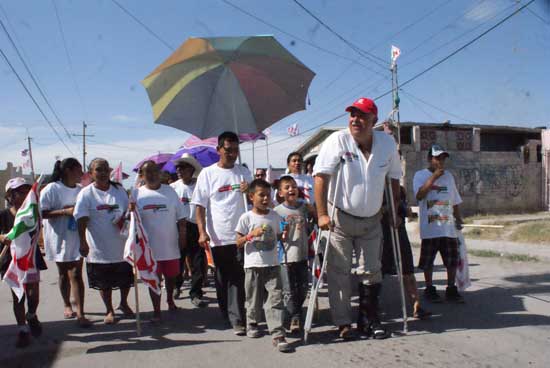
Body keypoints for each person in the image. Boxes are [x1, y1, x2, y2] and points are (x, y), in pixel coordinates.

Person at [313, 97, 402, 340]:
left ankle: (369, 320)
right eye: (352, 114)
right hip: (338, 218)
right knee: (339, 272)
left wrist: (393, 209)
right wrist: (321, 214)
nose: (355, 119)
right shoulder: (337, 141)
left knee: (372, 271)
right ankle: (343, 323)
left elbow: (394, 178)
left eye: (362, 115)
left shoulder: (386, 143)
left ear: (374, 120)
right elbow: (320, 177)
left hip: (372, 219)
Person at [192, 131, 252, 335]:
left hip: (241, 235)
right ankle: (226, 311)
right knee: (222, 278)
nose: (233, 154)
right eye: (228, 150)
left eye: (236, 150)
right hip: (217, 235)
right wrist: (201, 232)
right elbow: (199, 206)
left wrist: (249, 191)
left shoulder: (243, 172)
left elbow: (257, 199)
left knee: (237, 276)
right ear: (218, 150)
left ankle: (238, 318)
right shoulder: (207, 174)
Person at [74, 158, 134, 324]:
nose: (102, 173)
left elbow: (128, 212)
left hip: (121, 245)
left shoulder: (119, 190)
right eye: (98, 170)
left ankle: (123, 303)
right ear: (91, 173)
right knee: (104, 283)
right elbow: (81, 219)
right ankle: (109, 310)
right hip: (98, 247)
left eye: (105, 169)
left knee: (125, 279)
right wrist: (82, 242)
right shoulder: (86, 194)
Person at [235, 179, 291, 353]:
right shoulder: (246, 217)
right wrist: (251, 235)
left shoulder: (274, 215)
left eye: (268, 195)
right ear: (251, 197)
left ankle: (277, 333)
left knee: (275, 298)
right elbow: (238, 242)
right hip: (253, 265)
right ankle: (252, 322)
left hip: (273, 264)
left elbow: (280, 235)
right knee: (253, 298)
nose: (266, 199)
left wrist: (285, 233)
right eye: (262, 195)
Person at [40, 158, 91, 327]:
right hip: (59, 237)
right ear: (68, 170)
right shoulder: (51, 189)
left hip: (77, 236)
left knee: (76, 274)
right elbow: (42, 213)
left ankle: (80, 313)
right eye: (79, 170)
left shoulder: (81, 190)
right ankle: (67, 304)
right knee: (63, 274)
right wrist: (65, 211)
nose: (82, 174)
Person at [135, 161, 187, 321]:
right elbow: (132, 221)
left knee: (171, 277)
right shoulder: (136, 194)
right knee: (154, 280)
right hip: (149, 248)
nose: (151, 175)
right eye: (147, 172)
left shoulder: (170, 191)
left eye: (154, 171)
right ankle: (157, 311)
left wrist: (182, 236)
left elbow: (181, 218)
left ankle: (170, 299)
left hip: (170, 245)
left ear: (159, 173)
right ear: (142, 176)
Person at [413, 144, 465, 303]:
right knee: (428, 261)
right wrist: (434, 176)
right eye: (437, 158)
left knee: (452, 260)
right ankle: (429, 288)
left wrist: (458, 217)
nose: (441, 161)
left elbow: (454, 199)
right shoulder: (420, 175)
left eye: (443, 158)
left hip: (447, 227)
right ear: (429, 159)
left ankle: (451, 288)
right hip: (430, 228)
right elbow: (420, 195)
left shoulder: (449, 176)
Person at [0, 178, 43, 348]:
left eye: (27, 191)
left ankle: (31, 315)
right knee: (18, 295)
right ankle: (22, 330)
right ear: (10, 195)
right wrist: (3, 237)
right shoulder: (3, 215)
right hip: (11, 260)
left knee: (33, 295)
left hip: (30, 257)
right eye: (20, 192)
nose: (25, 194)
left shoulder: (32, 212)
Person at [381, 186, 431, 319]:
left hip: (400, 233)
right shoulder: (374, 186)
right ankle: (372, 309)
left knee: (408, 271)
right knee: (377, 274)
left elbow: (407, 210)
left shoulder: (400, 190)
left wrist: (401, 209)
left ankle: (416, 306)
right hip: (381, 235)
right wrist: (388, 210)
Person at [274, 175, 315, 333]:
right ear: (280, 193)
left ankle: (294, 313)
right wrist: (280, 234)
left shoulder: (303, 207)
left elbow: (314, 219)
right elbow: (273, 234)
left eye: (294, 186)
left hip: (302, 254)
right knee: (288, 290)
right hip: (285, 257)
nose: (291, 189)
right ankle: (294, 316)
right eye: (287, 187)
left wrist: (311, 208)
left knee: (303, 287)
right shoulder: (277, 211)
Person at [171, 153, 207, 307]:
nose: (179, 170)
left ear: (192, 169)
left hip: (195, 226)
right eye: (178, 167)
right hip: (178, 227)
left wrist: (203, 230)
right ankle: (176, 286)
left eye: (183, 167)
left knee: (198, 263)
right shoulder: (173, 187)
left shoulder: (201, 185)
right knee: (178, 261)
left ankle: (196, 293)